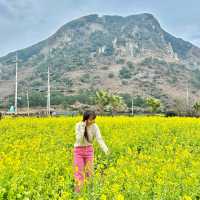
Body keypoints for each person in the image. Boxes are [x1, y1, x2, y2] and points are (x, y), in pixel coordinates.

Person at [73, 110, 110, 193]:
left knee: (89, 173)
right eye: (91, 119)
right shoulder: (78, 125)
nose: (93, 121)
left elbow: (99, 138)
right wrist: (83, 127)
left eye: (94, 119)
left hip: (89, 151)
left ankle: (88, 193)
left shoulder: (95, 126)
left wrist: (106, 149)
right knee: (79, 173)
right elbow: (78, 140)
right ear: (85, 119)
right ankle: (78, 194)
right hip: (78, 151)